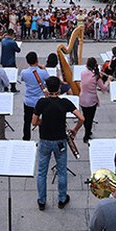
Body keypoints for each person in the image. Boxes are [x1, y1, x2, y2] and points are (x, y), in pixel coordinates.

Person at [32, 76, 84, 210]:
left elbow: (34, 122)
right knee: (62, 171)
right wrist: (75, 130)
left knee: (42, 172)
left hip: (44, 141)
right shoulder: (65, 102)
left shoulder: (42, 102)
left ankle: (42, 201)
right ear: (59, 88)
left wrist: (43, 122)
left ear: (47, 88)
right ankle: (62, 199)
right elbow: (81, 118)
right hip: (60, 141)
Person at [19, 52, 49, 140]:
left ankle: (26, 138)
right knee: (41, 121)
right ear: (37, 60)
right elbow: (49, 81)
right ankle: (42, 138)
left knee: (27, 121)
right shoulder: (43, 72)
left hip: (28, 100)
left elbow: (23, 79)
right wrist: (44, 69)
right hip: (40, 100)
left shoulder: (24, 72)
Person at [79, 57, 110, 143]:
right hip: (91, 100)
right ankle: (87, 135)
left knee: (85, 117)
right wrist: (108, 80)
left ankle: (88, 131)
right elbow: (103, 88)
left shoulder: (83, 73)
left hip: (82, 99)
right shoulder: (96, 76)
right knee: (90, 118)